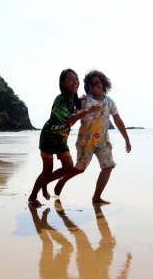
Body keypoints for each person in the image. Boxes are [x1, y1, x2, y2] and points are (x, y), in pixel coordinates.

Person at [54, 70, 131, 204]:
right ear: (87, 87)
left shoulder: (110, 102)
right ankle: (63, 180)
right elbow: (71, 120)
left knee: (108, 167)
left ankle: (96, 197)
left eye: (97, 82)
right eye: (91, 84)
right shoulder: (84, 101)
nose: (95, 86)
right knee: (80, 169)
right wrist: (60, 139)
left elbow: (118, 121)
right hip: (86, 141)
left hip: (103, 141)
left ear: (103, 83)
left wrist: (127, 139)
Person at [28, 69, 102, 206]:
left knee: (68, 168)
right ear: (63, 83)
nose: (75, 81)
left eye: (76, 79)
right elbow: (67, 120)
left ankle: (45, 184)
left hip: (62, 138)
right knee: (47, 170)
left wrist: (87, 102)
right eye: (71, 79)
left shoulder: (74, 101)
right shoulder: (60, 99)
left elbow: (73, 120)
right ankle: (32, 197)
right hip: (49, 137)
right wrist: (87, 111)